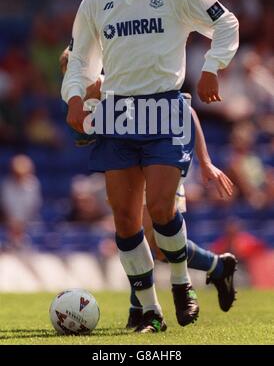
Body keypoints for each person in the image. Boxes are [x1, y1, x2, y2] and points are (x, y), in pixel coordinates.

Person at [61, 0, 239, 333]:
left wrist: (213, 66)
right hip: (117, 115)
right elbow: (80, 62)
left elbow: (226, 23)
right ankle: (150, 312)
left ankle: (181, 285)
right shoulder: (94, 2)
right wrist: (73, 98)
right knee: (125, 220)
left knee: (161, 211)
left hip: (163, 111)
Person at [60, 49, 238, 328]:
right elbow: (84, 139)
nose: (73, 78)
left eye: (75, 70)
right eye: (68, 74)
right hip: (131, 169)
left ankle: (143, 309)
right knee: (152, 244)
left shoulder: (118, 86)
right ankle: (217, 267)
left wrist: (206, 162)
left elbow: (186, 110)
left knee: (146, 233)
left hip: (158, 162)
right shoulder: (79, 100)